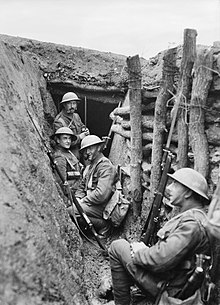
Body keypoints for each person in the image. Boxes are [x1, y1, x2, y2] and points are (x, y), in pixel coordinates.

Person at [109, 168, 211, 305]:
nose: (169, 188)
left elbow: (160, 260)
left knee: (118, 247)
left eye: (175, 184)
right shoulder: (196, 218)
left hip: (170, 291)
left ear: (187, 192)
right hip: (175, 283)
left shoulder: (192, 225)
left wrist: (140, 252)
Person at [67, 135, 117, 237]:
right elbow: (82, 187)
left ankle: (104, 225)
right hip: (92, 203)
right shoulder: (90, 166)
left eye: (90, 148)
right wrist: (78, 198)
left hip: (103, 206)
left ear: (99, 148)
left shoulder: (105, 166)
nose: (87, 152)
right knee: (72, 204)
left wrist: (83, 201)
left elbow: (101, 195)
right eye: (85, 150)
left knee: (71, 210)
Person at [53, 91, 89, 159]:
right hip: (68, 153)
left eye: (74, 103)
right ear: (64, 105)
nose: (72, 106)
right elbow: (62, 142)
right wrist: (80, 137)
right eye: (69, 103)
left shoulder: (76, 116)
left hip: (80, 150)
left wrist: (85, 130)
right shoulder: (59, 122)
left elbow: (81, 126)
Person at [52, 127, 83, 200]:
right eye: (65, 138)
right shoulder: (59, 157)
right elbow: (62, 183)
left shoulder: (69, 153)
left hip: (80, 190)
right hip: (72, 194)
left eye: (69, 138)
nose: (68, 141)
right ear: (58, 140)